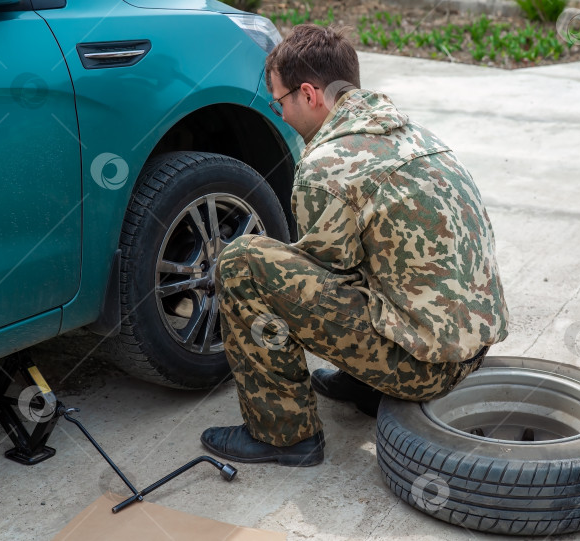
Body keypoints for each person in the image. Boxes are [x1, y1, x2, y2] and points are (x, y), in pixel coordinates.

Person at [200, 24, 508, 467]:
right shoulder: (415, 133)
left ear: (309, 94)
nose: (280, 114)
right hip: (474, 348)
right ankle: (367, 385)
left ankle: (283, 435)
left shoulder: (327, 163)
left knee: (243, 264)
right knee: (371, 251)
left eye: (279, 101)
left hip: (427, 369)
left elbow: (323, 281)